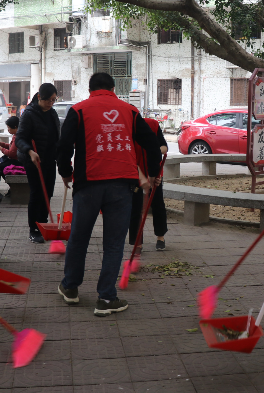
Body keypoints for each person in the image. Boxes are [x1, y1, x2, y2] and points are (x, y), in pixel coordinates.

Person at [56, 72, 161, 317]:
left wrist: (66, 172)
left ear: (90, 89)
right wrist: (154, 173)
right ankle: (106, 298)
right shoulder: (130, 111)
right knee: (113, 244)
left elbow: (63, 146)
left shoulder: (79, 110)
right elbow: (152, 145)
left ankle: (70, 288)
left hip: (89, 183)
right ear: (113, 88)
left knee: (79, 238)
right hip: (122, 185)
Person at [15, 83, 60, 243]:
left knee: (48, 192)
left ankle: (43, 223)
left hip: (49, 159)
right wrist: (30, 151)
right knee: (37, 193)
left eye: (53, 100)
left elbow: (57, 138)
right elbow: (19, 139)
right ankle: (34, 228)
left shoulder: (53, 114)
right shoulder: (29, 113)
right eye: (48, 100)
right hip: (33, 160)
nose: (50, 103)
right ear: (39, 97)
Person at [129, 117, 169, 251]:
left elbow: (164, 146)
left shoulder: (152, 124)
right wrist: (141, 177)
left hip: (154, 172)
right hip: (134, 171)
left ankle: (160, 236)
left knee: (157, 204)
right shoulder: (125, 128)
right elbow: (129, 156)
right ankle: (137, 242)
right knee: (135, 207)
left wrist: (155, 150)